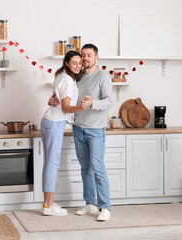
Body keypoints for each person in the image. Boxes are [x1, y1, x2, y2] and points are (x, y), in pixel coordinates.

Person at [50, 43, 113, 221]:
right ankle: (90, 203)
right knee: (85, 168)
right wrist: (51, 99)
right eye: (83, 55)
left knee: (97, 167)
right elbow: (65, 95)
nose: (85, 59)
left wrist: (92, 103)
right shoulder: (77, 77)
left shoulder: (103, 76)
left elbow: (109, 102)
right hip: (79, 128)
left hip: (96, 130)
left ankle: (105, 207)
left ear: (96, 57)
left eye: (89, 55)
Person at [41, 50, 91, 216]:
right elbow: (65, 108)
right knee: (52, 164)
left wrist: (50, 100)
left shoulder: (61, 75)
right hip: (55, 123)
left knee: (49, 163)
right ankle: (49, 205)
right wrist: (82, 107)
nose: (78, 66)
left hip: (50, 121)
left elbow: (56, 99)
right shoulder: (68, 80)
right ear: (67, 63)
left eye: (80, 63)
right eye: (74, 63)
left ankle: (48, 203)